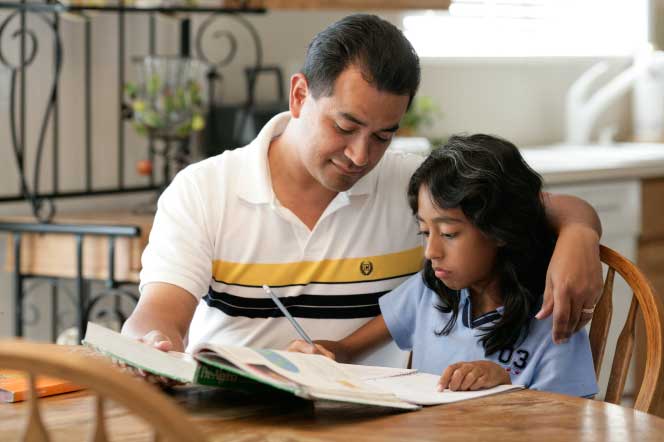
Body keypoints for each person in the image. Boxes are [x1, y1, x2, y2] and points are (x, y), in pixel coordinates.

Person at [121, 14, 603, 365]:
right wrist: (153, 347)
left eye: (382, 135)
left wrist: (578, 234)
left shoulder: (414, 187)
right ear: (299, 96)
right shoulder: (204, 190)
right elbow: (159, 314)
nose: (359, 156)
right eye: (345, 125)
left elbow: (542, 205)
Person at [289, 134, 598, 397]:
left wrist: (507, 388)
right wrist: (323, 355)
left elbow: (569, 423)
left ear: (500, 231)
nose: (431, 251)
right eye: (425, 232)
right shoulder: (428, 292)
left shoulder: (553, 318)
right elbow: (346, 349)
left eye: (449, 234)